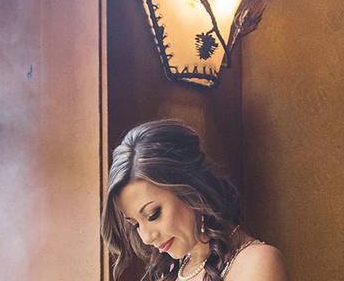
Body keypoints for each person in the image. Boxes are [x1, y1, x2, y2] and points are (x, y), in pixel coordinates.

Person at [102, 119, 288, 281]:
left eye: (153, 214)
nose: (147, 237)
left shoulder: (257, 262)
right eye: (135, 224)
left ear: (191, 187)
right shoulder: (171, 271)